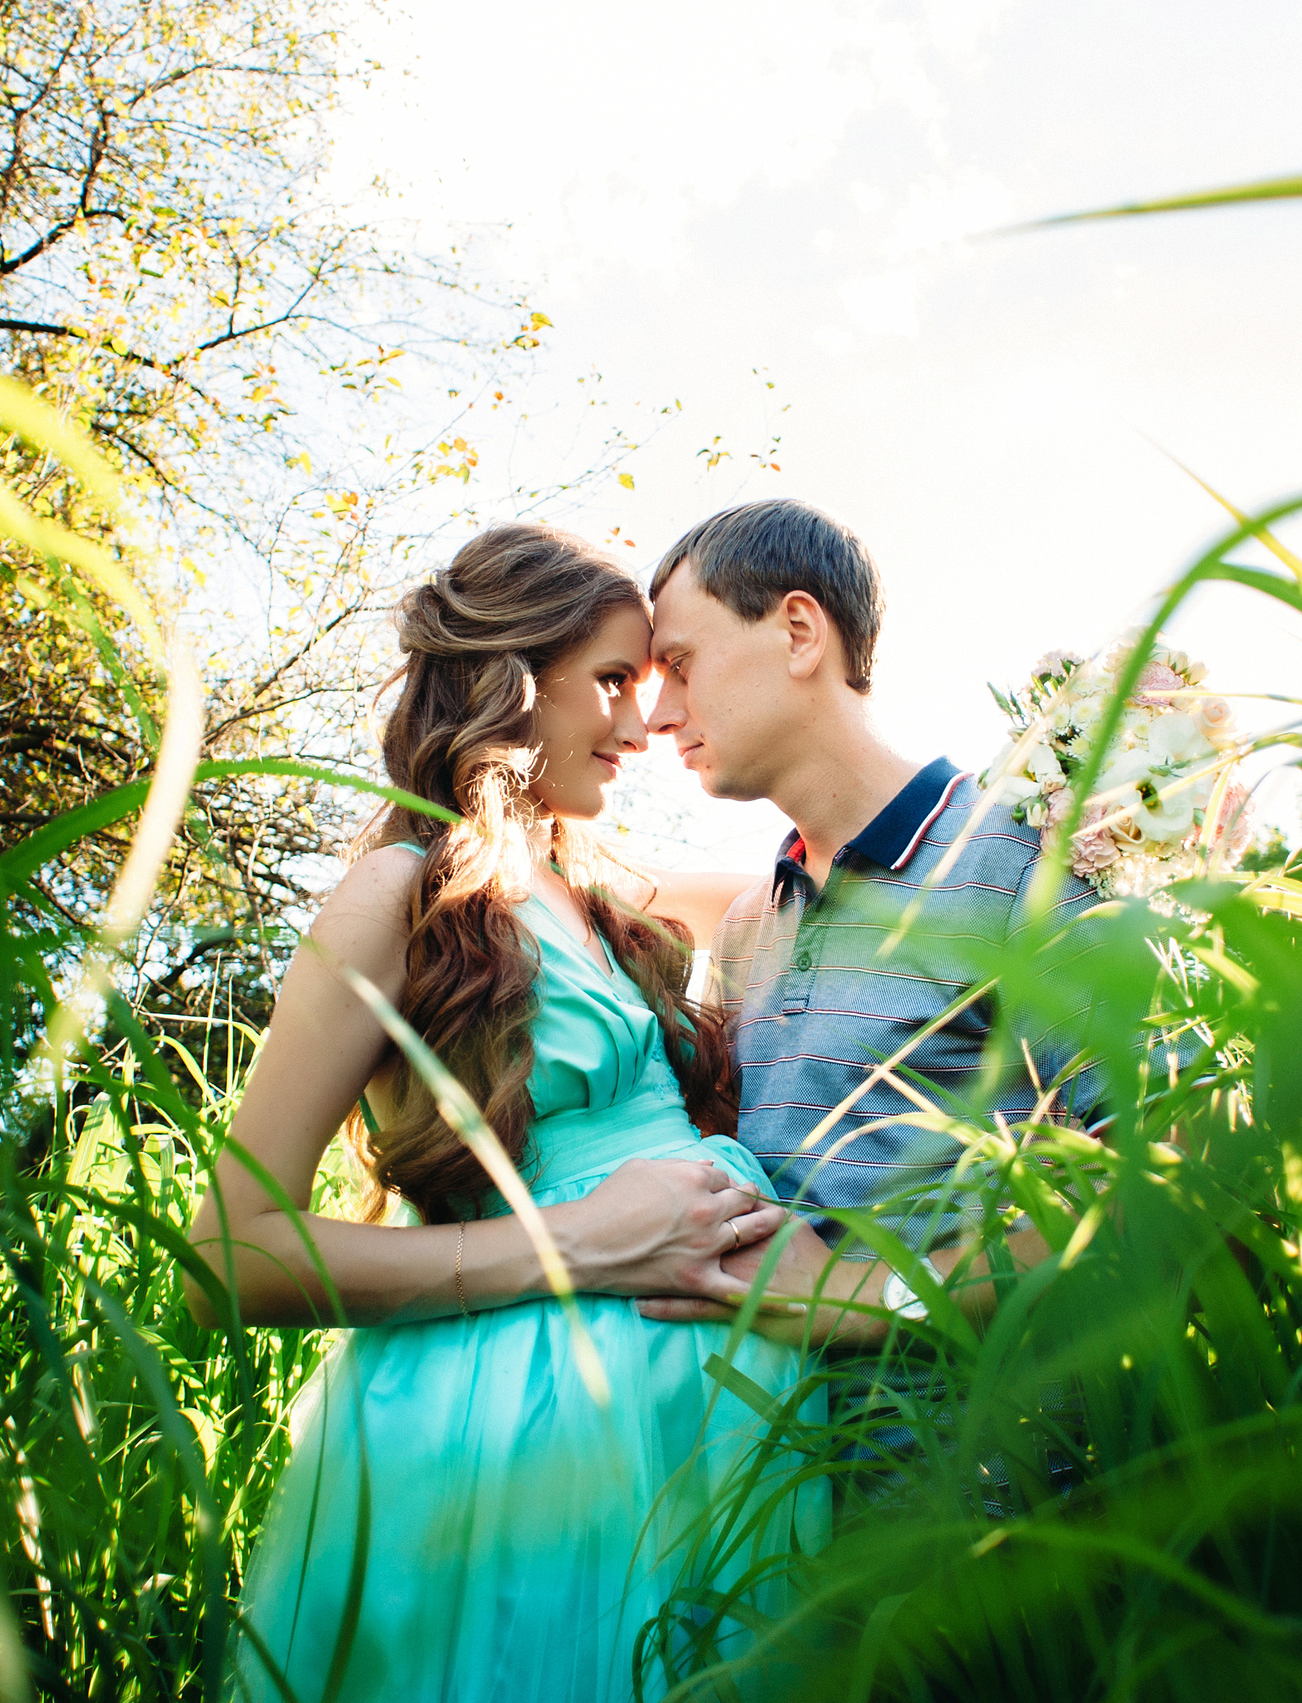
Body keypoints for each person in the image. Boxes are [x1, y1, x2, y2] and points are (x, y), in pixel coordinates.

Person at [187, 524, 824, 1702]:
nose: (642, 724)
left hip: (697, 1430)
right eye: (613, 682)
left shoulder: (602, 895)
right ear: (515, 681)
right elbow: (229, 1255)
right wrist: (572, 1245)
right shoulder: (401, 892)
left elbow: (814, 878)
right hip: (522, 1432)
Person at [635, 498, 1103, 1347]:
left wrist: (869, 1296)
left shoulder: (1024, 864)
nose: (655, 714)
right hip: (776, 1466)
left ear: (800, 632)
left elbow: (1168, 1174)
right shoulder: (750, 927)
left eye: (680, 663)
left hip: (980, 1468)